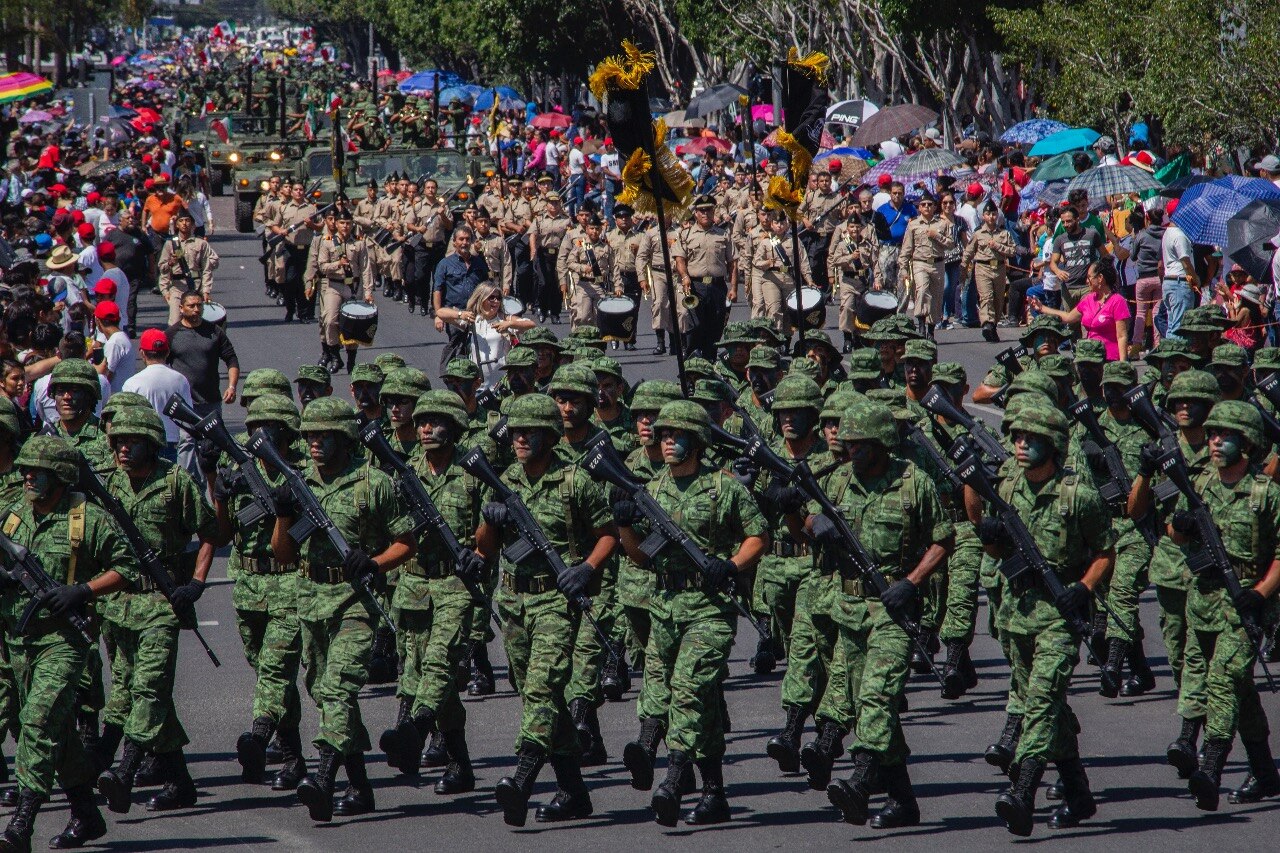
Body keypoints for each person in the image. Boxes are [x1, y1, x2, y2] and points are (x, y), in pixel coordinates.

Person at [614, 400, 766, 826]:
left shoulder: (724, 487)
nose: (667, 441)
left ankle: (675, 779)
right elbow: (641, 557)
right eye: (663, 435)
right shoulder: (653, 490)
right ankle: (714, 792)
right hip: (664, 607)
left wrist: (732, 565)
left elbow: (759, 535)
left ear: (697, 441)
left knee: (689, 691)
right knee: (674, 698)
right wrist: (625, 524)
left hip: (710, 610)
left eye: (676, 435)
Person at [268, 398, 415, 823]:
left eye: (323, 435)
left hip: (357, 603)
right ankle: (361, 787)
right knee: (323, 691)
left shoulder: (374, 483)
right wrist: (281, 514)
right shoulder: (299, 484)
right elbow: (282, 555)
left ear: (344, 439)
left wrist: (373, 563)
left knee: (339, 689)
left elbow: (406, 543)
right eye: (310, 435)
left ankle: (324, 779)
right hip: (311, 597)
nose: (314, 442)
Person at [809, 398, 952, 830]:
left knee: (877, 696)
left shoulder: (914, 484)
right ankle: (904, 801)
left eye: (861, 445)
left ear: (883, 444)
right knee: (868, 705)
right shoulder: (837, 482)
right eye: (848, 443)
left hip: (894, 610)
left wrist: (912, 581)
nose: (851, 451)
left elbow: (943, 539)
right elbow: (809, 519)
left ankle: (862, 778)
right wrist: (818, 527)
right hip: (849, 608)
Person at [474, 394, 616, 827]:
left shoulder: (575, 481)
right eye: (515, 431)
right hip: (514, 600)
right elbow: (484, 550)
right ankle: (573, 792)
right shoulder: (502, 479)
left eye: (528, 431)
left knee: (541, 689)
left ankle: (522, 778)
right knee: (539, 696)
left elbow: (607, 534)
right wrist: (489, 519)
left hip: (555, 601)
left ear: (549, 436)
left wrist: (587, 568)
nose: (519, 438)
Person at [974, 404, 1115, 836]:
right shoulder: (1009, 485)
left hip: (1059, 616)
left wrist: (1084, 589)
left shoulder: (1078, 496)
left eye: (1031, 438)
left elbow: (1106, 552)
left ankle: (1023, 790)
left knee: (1039, 701)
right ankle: (1078, 792)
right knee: (1048, 703)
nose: (1020, 443)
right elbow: (995, 546)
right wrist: (989, 535)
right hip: (1017, 614)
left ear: (1052, 445)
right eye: (1017, 437)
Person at [0, 436, 138, 851]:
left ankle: (21, 825)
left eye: (36, 472)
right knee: (52, 732)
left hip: (62, 642)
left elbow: (127, 565)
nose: (26, 477)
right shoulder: (11, 517)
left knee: (39, 724)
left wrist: (83, 591)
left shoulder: (86, 519)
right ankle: (86, 814)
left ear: (59, 476)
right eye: (25, 470)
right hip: (17, 641)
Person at [94, 406, 218, 815]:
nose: (123, 448)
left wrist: (196, 584)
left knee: (149, 688)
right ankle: (180, 782)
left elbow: (210, 534)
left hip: (163, 604)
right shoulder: (106, 483)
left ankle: (125, 770)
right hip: (119, 605)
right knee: (133, 690)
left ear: (151, 444)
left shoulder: (175, 481)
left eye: (132, 442)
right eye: (118, 441)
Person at [1164, 401, 1280, 810]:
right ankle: (1266, 772)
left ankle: (1210, 768)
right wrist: (1181, 527)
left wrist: (1260, 594)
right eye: (1212, 434)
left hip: (1245, 603)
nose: (1214, 441)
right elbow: (1174, 533)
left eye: (1225, 435)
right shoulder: (1198, 484)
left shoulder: (1266, 494)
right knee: (1241, 690)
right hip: (1203, 603)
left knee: (1225, 680)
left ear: (1246, 442)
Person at [378, 390, 486, 797]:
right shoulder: (404, 474)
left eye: (435, 421)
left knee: (440, 663)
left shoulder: (473, 474)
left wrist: (480, 552)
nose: (424, 428)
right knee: (423, 672)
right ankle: (461, 766)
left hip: (455, 584)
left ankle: (415, 730)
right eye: (421, 421)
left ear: (454, 427)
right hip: (413, 584)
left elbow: (486, 538)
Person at [208, 394, 307, 791]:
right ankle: (295, 757)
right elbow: (222, 534)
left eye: (266, 427)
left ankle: (258, 736)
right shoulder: (240, 472)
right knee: (269, 674)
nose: (256, 434)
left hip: (288, 583)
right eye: (251, 428)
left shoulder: (299, 475)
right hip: (248, 587)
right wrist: (217, 491)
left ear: (284, 432)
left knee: (275, 669)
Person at [673, 195, 736, 361]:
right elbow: (680, 259)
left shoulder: (723, 234)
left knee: (715, 327)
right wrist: (685, 276)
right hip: (695, 286)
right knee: (695, 325)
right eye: (701, 210)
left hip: (717, 286)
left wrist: (734, 287)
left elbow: (732, 263)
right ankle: (692, 362)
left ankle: (710, 362)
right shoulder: (686, 235)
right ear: (695, 213)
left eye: (708, 209)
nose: (705, 213)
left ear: (713, 211)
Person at [1031, 261, 1131, 361]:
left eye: (1089, 277)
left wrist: (1122, 364)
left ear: (1100, 278)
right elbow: (1068, 317)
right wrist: (1042, 308)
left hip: (1111, 359)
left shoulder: (1118, 301)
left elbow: (1122, 336)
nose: (1087, 281)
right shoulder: (1089, 299)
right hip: (1090, 358)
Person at [315, 210, 375, 376]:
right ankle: (335, 356)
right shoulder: (327, 242)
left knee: (353, 325)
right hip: (334, 286)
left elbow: (365, 268)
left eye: (348, 223)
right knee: (329, 320)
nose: (345, 226)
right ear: (336, 224)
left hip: (352, 287)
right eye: (342, 223)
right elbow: (322, 266)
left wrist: (368, 291)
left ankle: (351, 359)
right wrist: (337, 264)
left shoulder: (359, 243)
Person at [121, 330, 193, 459]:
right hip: (170, 442)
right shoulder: (180, 380)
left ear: (142, 352)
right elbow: (188, 418)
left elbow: (125, 419)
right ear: (167, 352)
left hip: (142, 443)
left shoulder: (132, 383)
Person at [432, 226, 491, 371]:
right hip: (454, 313)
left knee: (478, 344)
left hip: (477, 312)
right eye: (461, 239)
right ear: (454, 242)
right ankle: (449, 373)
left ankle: (475, 376)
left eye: (467, 239)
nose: (464, 242)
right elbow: (437, 290)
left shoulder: (479, 263)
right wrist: (438, 315)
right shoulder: (444, 264)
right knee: (457, 343)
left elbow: (488, 287)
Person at [899, 192, 954, 340]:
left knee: (936, 297)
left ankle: (931, 329)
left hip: (938, 264)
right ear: (919, 208)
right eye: (923, 205)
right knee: (922, 291)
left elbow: (951, 244)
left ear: (935, 207)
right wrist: (903, 268)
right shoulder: (913, 224)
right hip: (920, 263)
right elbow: (906, 249)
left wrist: (936, 235)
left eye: (930, 204)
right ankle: (921, 324)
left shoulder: (942, 224)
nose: (927, 207)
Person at [961, 201, 1017, 342]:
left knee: (998, 299)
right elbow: (968, 252)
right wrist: (963, 267)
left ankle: (993, 325)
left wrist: (998, 246)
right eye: (988, 214)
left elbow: (1012, 251)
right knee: (986, 297)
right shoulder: (978, 234)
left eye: (993, 214)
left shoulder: (1004, 233)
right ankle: (987, 323)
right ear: (983, 216)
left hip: (999, 268)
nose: (991, 217)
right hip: (982, 267)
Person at [155, 209, 219, 325]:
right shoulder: (171, 244)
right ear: (177, 225)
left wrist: (206, 291)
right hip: (177, 287)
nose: (184, 223)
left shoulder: (200, 243)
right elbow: (162, 268)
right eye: (181, 221)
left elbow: (207, 268)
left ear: (193, 225)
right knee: (175, 322)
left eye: (187, 221)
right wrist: (164, 289)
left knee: (198, 320)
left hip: (196, 286)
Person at [1049, 206, 1108, 310]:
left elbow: (1105, 256)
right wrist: (1058, 271)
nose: (1065, 225)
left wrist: (1099, 273)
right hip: (1069, 288)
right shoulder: (1060, 239)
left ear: (1077, 219)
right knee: (1072, 323)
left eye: (1069, 221)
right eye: (1063, 222)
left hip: (1088, 286)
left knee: (1087, 320)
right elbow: (1053, 263)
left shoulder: (1091, 234)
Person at [1159, 199, 1200, 340]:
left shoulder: (1168, 233)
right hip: (1179, 282)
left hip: (1170, 282)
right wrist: (1196, 278)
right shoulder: (1178, 235)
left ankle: (1170, 358)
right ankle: (1175, 359)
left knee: (1172, 325)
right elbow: (1185, 261)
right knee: (1179, 328)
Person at [92, 302, 134, 394]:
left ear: (97, 321)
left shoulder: (114, 342)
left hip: (118, 398)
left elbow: (105, 376)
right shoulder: (119, 338)